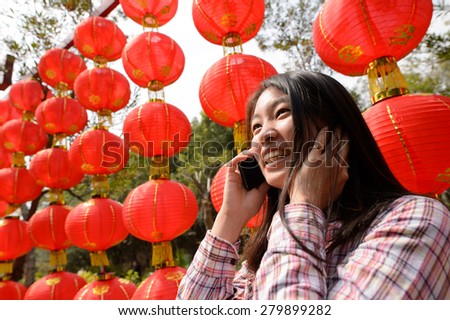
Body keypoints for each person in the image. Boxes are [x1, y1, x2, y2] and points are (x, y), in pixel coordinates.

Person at [177, 71, 450, 299]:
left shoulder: (415, 219)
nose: (263, 137)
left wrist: (304, 204)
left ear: (336, 131)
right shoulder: (259, 261)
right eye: (256, 128)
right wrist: (229, 219)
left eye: (282, 112)